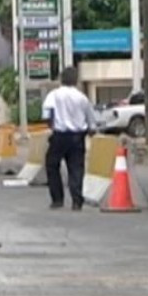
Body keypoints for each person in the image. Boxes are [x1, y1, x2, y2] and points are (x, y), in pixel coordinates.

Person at [42, 66, 96, 210]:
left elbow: (46, 115)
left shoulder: (53, 95)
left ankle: (57, 199)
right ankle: (77, 201)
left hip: (59, 135)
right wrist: (90, 132)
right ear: (76, 80)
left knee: (52, 165)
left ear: (61, 79)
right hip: (78, 137)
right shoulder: (82, 98)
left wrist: (52, 126)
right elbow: (91, 122)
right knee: (76, 168)